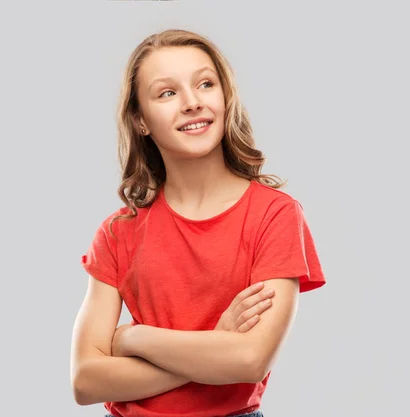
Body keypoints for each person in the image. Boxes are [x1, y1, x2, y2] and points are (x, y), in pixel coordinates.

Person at [70, 29, 326, 417]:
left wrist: (135, 338)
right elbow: (86, 381)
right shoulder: (118, 231)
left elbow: (250, 361)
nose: (192, 103)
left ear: (225, 97)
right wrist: (215, 345)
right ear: (140, 120)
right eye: (167, 93)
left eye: (205, 84)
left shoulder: (275, 215)